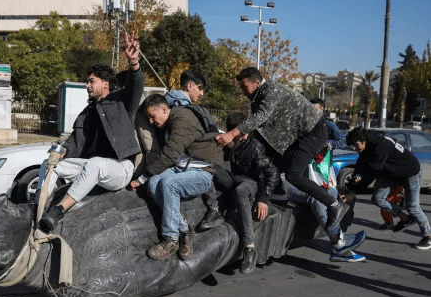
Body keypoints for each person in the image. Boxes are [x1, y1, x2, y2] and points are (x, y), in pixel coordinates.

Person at [215, 67, 351, 252]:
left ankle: (334, 205)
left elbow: (261, 116)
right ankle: (337, 238)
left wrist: (233, 133)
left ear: (256, 82)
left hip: (312, 132)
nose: (242, 90)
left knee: (294, 175)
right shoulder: (256, 101)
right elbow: (262, 132)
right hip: (293, 142)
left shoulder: (271, 89)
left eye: (244, 85)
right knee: (274, 169)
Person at [37, 32, 143, 233]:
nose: (87, 86)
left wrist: (134, 62)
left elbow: (136, 84)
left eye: (91, 81)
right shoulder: (86, 114)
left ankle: (58, 211)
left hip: (121, 169)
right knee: (50, 165)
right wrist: (62, 152)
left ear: (105, 84)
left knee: (96, 164)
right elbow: (73, 141)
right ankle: (38, 207)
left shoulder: (122, 101)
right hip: (92, 168)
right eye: (87, 82)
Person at [140, 93, 224, 260]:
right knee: (154, 183)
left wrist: (142, 177)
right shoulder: (168, 123)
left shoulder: (182, 116)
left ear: (164, 109)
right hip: (181, 169)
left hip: (201, 172)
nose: (151, 122)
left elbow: (170, 153)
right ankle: (185, 231)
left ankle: (171, 239)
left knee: (168, 183)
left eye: (152, 116)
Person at [345, 127, 431, 250]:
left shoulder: (380, 145)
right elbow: (361, 165)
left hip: (410, 173)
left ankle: (427, 235)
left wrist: (356, 189)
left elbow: (372, 171)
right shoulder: (367, 146)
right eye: (351, 146)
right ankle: (405, 218)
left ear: (363, 140)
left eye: (355, 145)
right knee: (377, 198)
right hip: (392, 174)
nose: (353, 148)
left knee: (413, 207)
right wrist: (354, 181)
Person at [224, 112, 279, 273]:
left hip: (252, 184)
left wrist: (263, 199)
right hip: (235, 179)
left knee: (241, 190)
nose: (240, 137)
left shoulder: (255, 147)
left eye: (242, 134)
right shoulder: (231, 144)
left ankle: (249, 247)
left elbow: (272, 174)